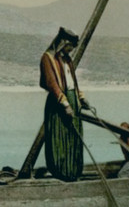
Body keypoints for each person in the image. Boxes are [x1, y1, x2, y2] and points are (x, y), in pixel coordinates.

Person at [39, 27, 92, 182]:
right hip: (58, 104)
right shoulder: (48, 58)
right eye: (69, 46)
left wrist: (81, 98)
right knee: (59, 137)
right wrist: (65, 104)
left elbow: (73, 82)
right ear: (62, 43)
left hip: (73, 100)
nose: (71, 50)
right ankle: (61, 172)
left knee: (74, 136)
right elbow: (52, 84)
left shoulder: (67, 59)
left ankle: (73, 171)